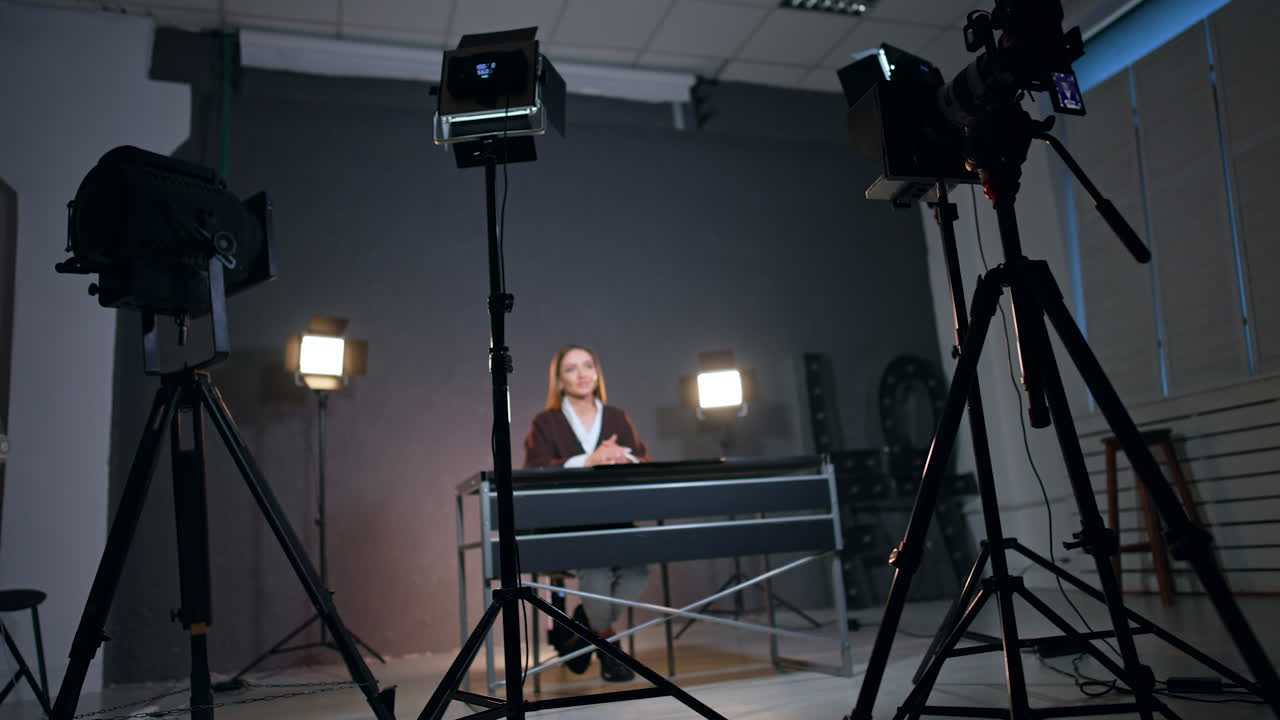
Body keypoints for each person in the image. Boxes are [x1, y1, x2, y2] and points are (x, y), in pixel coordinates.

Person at [522, 344, 651, 682]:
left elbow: (642, 458)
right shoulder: (546, 422)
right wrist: (587, 460)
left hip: (615, 519)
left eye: (588, 366)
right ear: (559, 381)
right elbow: (534, 469)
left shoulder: (617, 416)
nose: (581, 374)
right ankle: (610, 649)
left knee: (638, 573)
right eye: (571, 368)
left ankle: (582, 626)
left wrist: (626, 459)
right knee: (594, 570)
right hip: (568, 524)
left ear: (597, 374)